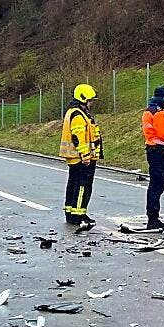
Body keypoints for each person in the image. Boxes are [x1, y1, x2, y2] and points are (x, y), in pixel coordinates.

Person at [59, 84, 103, 228]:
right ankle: (78, 215)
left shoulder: (75, 112)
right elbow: (78, 137)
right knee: (82, 186)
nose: (92, 103)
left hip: (76, 157)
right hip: (81, 158)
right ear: (83, 99)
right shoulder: (78, 115)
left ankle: (71, 213)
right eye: (90, 101)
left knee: (73, 184)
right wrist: (85, 156)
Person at [141, 86, 164, 231]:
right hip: (159, 152)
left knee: (155, 184)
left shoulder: (149, 111)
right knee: (158, 184)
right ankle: (153, 218)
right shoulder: (159, 114)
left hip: (152, 149)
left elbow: (154, 130)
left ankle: (152, 217)